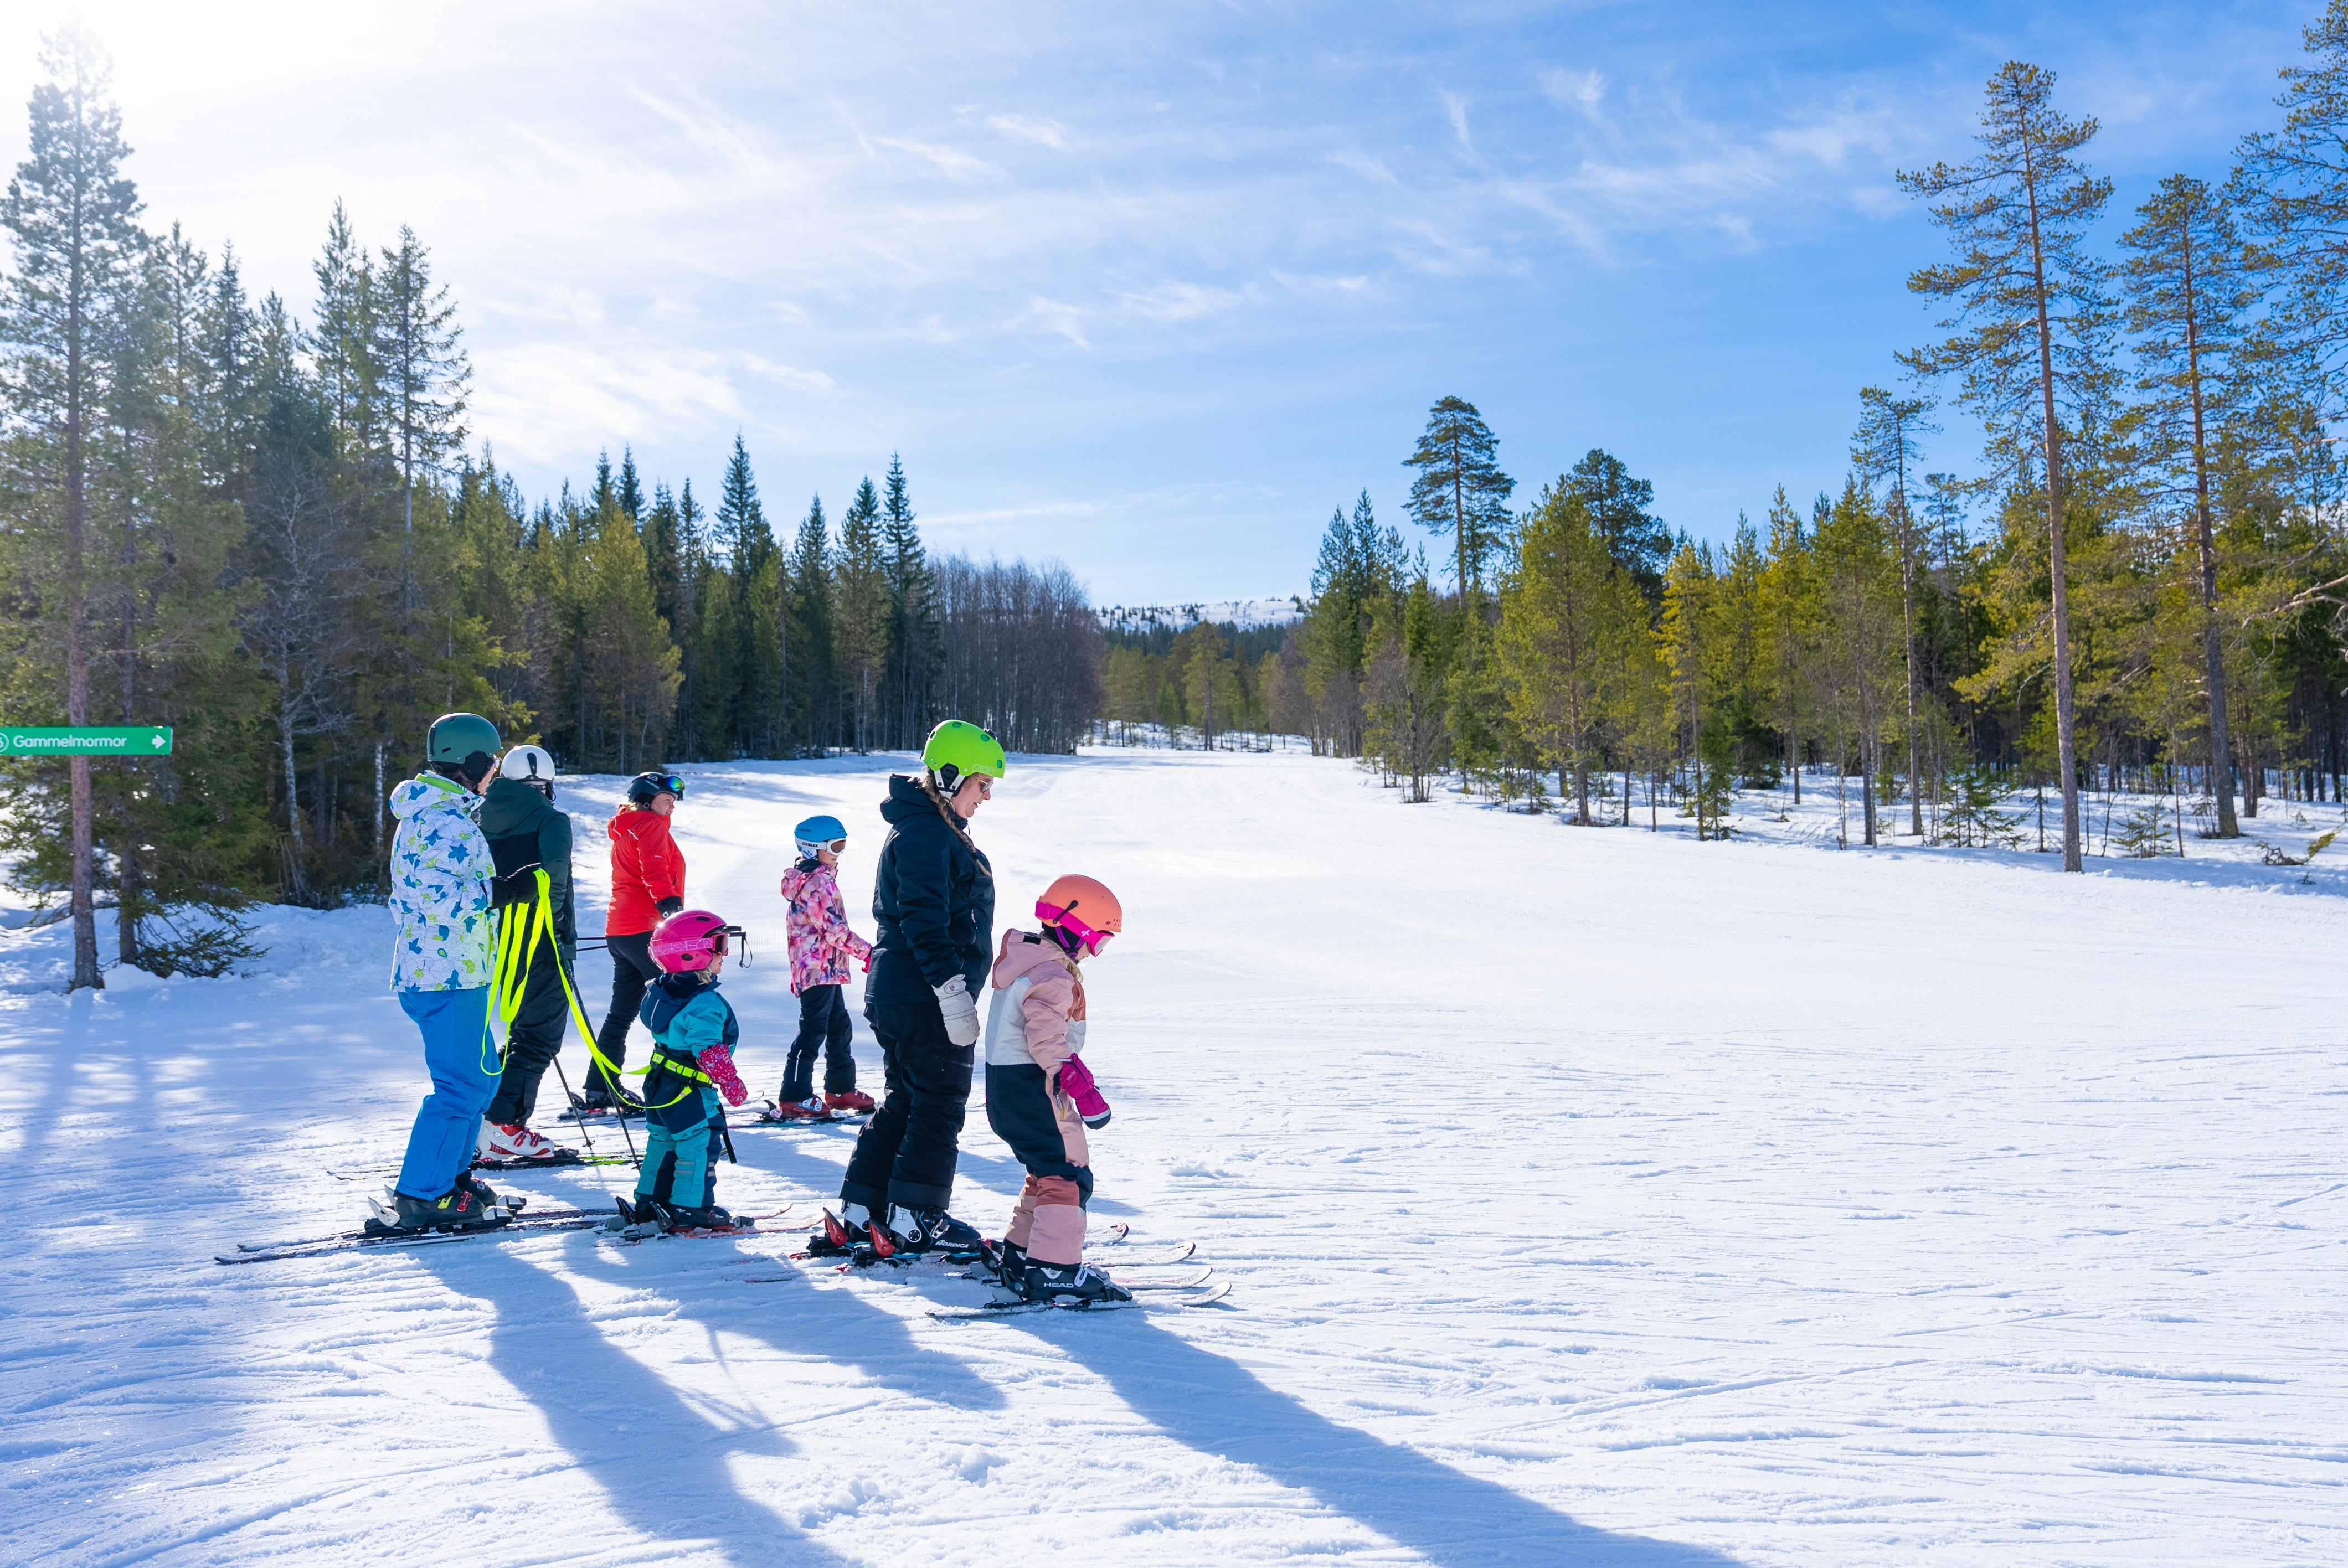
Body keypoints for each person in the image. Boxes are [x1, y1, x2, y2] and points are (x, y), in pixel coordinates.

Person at [830, 720, 1003, 1255]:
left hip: (903, 989)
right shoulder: (927, 832)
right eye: (981, 783)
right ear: (950, 777)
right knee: (938, 1103)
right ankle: (917, 1216)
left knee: (906, 1099)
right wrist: (951, 991)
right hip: (922, 992)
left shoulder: (928, 827)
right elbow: (923, 918)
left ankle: (863, 1210)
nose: (987, 796)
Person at [372, 712, 513, 1235]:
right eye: (491, 762)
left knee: (480, 1078)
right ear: (470, 762)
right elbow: (433, 897)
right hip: (444, 973)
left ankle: (450, 1177)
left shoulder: (444, 813)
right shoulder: (439, 820)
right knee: (462, 1085)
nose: (494, 771)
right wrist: (498, 891)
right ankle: (424, 1194)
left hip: (456, 969)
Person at [980, 875, 1130, 1303]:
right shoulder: (1050, 975)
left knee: (1046, 1173)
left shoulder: (1027, 963)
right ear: (1077, 929)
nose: (1095, 952)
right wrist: (1082, 1089)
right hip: (1035, 1089)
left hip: (1008, 1092)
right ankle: (1053, 1270)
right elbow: (1046, 1041)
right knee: (1068, 1175)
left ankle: (1022, 1254)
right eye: (1098, 941)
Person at [620, 908, 750, 1231]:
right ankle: (691, 1207)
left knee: (663, 1141)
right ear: (692, 954)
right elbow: (709, 1049)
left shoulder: (661, 993)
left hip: (660, 1083)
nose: (724, 954)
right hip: (688, 1088)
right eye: (719, 945)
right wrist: (730, 1082)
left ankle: (650, 1202)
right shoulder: (705, 1004)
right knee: (700, 1141)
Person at [477, 744, 575, 1160]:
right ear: (546, 784)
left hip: (497, 941)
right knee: (539, 1036)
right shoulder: (551, 820)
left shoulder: (478, 816)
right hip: (542, 942)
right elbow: (554, 878)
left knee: (522, 1032)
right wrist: (557, 928)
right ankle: (503, 1126)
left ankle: (486, 1119)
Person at [586, 770, 688, 1114]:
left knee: (621, 1013)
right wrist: (672, 913)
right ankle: (675, 1087)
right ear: (646, 798)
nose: (672, 806)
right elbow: (654, 869)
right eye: (667, 799)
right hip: (647, 928)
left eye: (674, 801)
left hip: (621, 930)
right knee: (678, 1003)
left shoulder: (627, 826)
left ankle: (600, 1088)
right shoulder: (649, 824)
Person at [771, 813, 875, 1121]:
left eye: (843, 845)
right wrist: (868, 953)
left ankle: (840, 1090)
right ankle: (795, 1096)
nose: (840, 852)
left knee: (839, 1027)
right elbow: (834, 930)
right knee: (813, 1029)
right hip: (815, 969)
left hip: (827, 968)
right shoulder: (816, 884)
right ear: (811, 848)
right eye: (835, 846)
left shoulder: (820, 879)